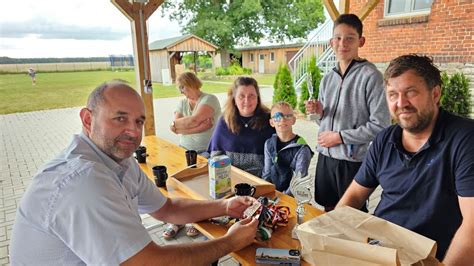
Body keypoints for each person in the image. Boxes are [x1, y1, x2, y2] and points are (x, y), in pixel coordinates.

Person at [9, 81, 259, 265]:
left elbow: (167, 209)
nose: (132, 131)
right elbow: (148, 262)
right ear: (87, 119)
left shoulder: (119, 160)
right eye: (120, 118)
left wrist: (225, 206)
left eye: (139, 121)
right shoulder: (83, 181)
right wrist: (230, 242)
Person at [336, 54, 474, 264]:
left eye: (411, 92)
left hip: (431, 257)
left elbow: (472, 225)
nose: (401, 103)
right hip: (379, 250)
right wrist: (332, 236)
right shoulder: (385, 139)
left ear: (435, 94)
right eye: (392, 94)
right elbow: (354, 196)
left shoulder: (465, 138)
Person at [305, 13, 390, 212]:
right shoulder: (328, 78)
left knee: (351, 215)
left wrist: (341, 137)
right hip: (325, 157)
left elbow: (381, 126)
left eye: (350, 38)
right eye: (338, 38)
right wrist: (319, 113)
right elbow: (324, 122)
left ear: (361, 41)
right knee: (328, 208)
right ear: (331, 42)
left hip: (351, 161)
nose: (343, 43)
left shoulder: (371, 76)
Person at [166, 72, 222, 239]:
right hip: (183, 149)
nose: (181, 90)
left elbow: (189, 121)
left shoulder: (209, 99)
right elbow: (175, 126)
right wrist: (196, 127)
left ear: (192, 83)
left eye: (183, 86)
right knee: (177, 185)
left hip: (206, 150)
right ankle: (177, 220)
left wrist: (183, 126)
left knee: (199, 187)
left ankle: (194, 219)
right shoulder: (182, 103)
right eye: (179, 87)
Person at [208, 77, 275, 177]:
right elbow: (215, 155)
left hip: (261, 179)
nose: (247, 100)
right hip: (229, 178)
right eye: (241, 96)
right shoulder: (224, 120)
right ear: (234, 99)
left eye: (251, 96)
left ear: (258, 98)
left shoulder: (270, 120)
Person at [262, 101, 313, 194]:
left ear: (293, 120)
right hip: (274, 192)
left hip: (295, 195)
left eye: (287, 116)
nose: (282, 120)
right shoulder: (269, 144)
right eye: (277, 117)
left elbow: (299, 181)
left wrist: (281, 197)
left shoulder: (302, 148)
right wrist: (267, 191)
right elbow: (266, 173)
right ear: (271, 122)